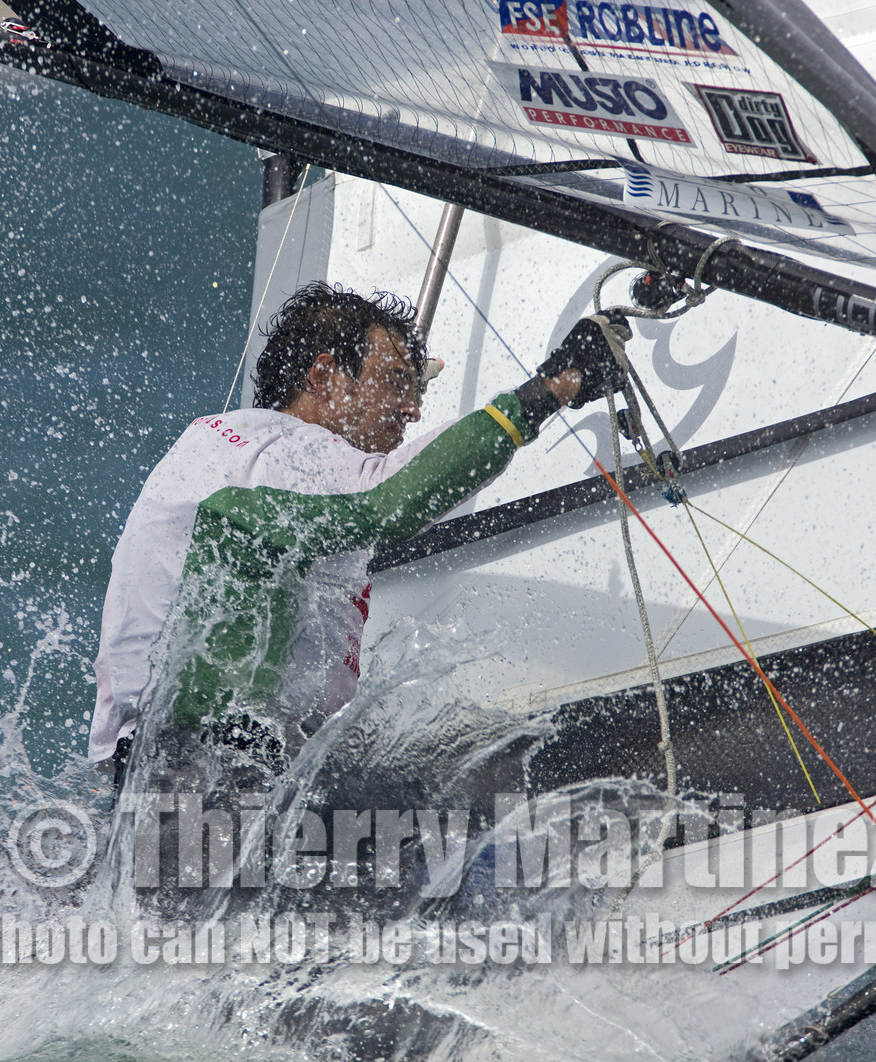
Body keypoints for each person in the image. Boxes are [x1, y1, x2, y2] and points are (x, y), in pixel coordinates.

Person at [89, 281, 629, 792]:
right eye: (395, 382)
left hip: (146, 768)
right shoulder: (295, 451)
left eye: (417, 389)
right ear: (323, 376)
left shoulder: (214, 440)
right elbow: (394, 495)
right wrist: (557, 386)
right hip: (224, 770)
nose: (412, 409)